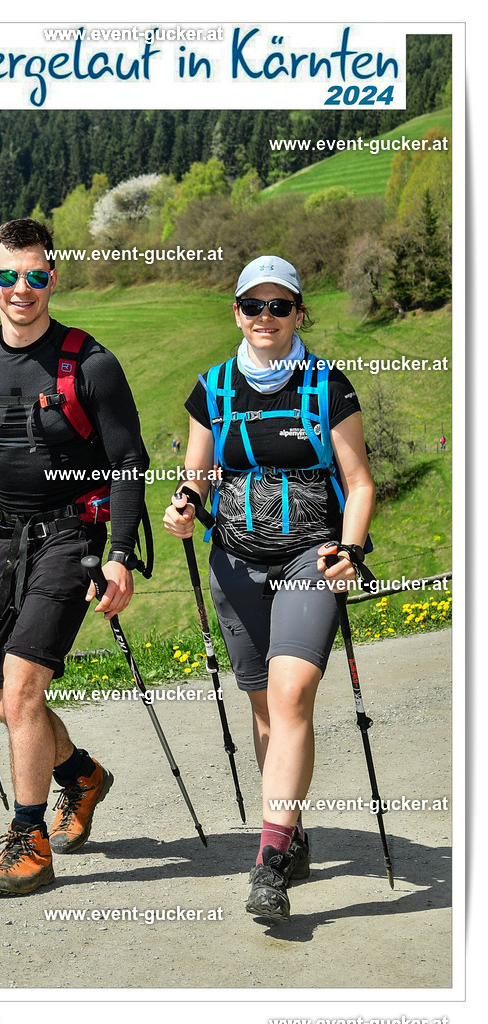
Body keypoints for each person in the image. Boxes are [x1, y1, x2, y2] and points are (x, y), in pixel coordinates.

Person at [0, 219, 146, 896]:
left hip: (70, 538)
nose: (22, 289)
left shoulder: (90, 363)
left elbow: (129, 463)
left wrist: (121, 555)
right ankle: (80, 776)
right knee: (9, 695)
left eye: (36, 276)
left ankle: (28, 840)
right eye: (9, 275)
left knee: (21, 690)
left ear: (52, 280)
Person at [163, 255, 375, 920]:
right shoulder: (213, 389)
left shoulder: (326, 387)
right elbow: (196, 476)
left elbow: (360, 482)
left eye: (278, 306)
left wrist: (353, 547)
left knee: (290, 696)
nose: (264, 317)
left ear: (298, 314)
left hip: (309, 560)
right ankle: (291, 828)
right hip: (233, 562)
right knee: (262, 709)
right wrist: (182, 505)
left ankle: (269, 859)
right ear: (235, 312)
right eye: (252, 305)